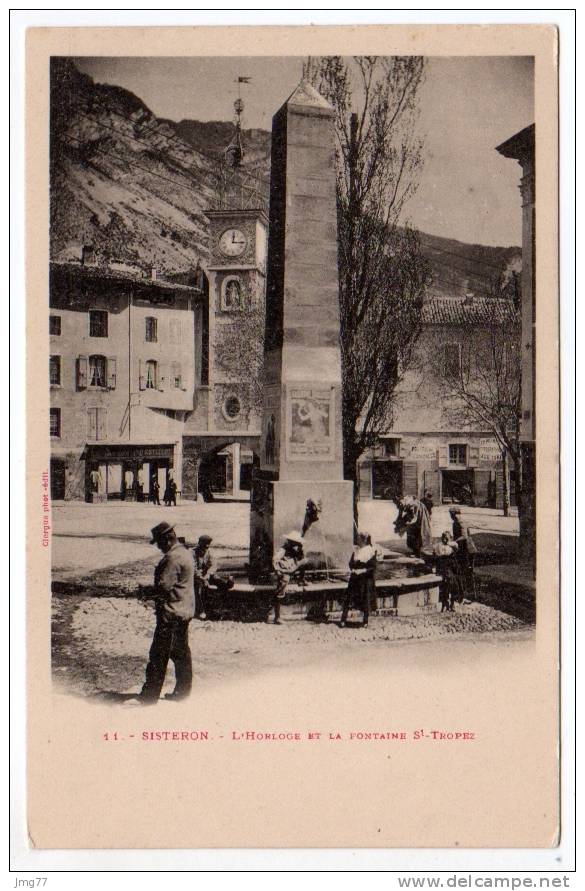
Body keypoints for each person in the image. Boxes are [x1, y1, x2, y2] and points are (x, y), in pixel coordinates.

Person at [129, 522, 194, 705]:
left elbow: (163, 587)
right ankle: (183, 692)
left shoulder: (172, 558)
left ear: (167, 539)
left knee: (158, 655)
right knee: (181, 654)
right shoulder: (185, 553)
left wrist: (145, 592)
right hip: (183, 612)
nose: (158, 546)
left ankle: (149, 697)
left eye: (159, 542)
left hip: (171, 614)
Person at [192, 534, 234, 620]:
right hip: (196, 577)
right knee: (199, 588)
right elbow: (193, 569)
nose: (205, 549)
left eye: (207, 547)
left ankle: (227, 584)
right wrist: (202, 578)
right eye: (203, 546)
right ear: (199, 544)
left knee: (218, 580)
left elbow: (213, 565)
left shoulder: (209, 552)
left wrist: (207, 575)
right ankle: (201, 610)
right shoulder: (192, 553)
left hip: (206, 576)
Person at [340, 532, 377, 628]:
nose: (356, 540)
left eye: (358, 538)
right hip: (355, 578)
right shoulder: (356, 550)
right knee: (348, 599)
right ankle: (343, 619)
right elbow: (350, 563)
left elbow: (373, 567)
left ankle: (365, 621)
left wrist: (363, 571)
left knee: (365, 600)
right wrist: (353, 568)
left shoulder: (370, 551)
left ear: (363, 540)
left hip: (365, 579)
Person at [271, 531, 307, 625]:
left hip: (289, 571)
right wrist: (277, 570)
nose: (297, 544)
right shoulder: (284, 549)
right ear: (291, 542)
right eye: (295, 542)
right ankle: (277, 617)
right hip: (284, 573)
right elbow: (275, 559)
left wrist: (301, 552)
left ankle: (301, 580)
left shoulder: (294, 550)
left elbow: (300, 559)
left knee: (304, 561)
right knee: (279, 594)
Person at [449, 507, 478, 602]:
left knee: (462, 572)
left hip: (466, 550)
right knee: (467, 572)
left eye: (451, 514)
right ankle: (469, 594)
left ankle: (464, 595)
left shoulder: (459, 522)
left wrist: (452, 542)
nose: (451, 517)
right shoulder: (461, 521)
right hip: (468, 549)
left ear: (454, 514)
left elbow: (463, 536)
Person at [433, 531, 461, 612]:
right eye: (443, 538)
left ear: (450, 539)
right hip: (443, 565)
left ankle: (452, 601)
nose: (444, 540)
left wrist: (448, 543)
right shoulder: (438, 545)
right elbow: (436, 556)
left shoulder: (453, 545)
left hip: (451, 565)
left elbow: (455, 547)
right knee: (448, 580)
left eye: (446, 538)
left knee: (455, 581)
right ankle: (446, 602)